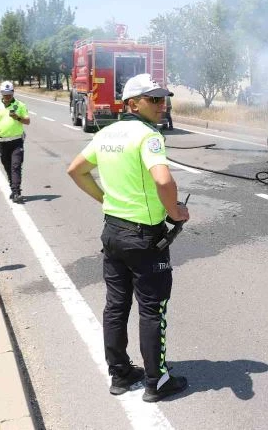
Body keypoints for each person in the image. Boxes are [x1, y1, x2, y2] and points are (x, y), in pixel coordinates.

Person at [67, 73, 190, 402]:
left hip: (113, 232)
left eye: (164, 99)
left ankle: (120, 374)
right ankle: (156, 381)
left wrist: (105, 199)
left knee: (116, 305)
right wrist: (175, 211)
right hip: (144, 238)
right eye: (154, 99)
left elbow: (75, 170)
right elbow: (164, 182)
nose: (162, 105)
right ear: (132, 103)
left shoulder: (106, 133)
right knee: (152, 309)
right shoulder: (149, 136)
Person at [0, 81, 30, 203]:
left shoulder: (20, 105)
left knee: (16, 166)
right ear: (1, 93)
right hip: (2, 142)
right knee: (7, 166)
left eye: (9, 94)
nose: (7, 96)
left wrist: (18, 118)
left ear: (13, 92)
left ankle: (16, 192)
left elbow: (27, 121)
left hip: (16, 141)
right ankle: (13, 187)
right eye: (5, 94)